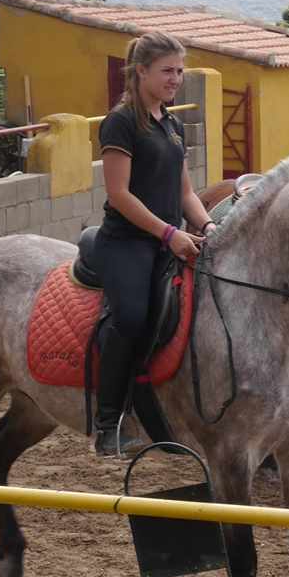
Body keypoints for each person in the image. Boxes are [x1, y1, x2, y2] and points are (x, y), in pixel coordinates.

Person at [92, 31, 217, 456]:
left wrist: (208, 225)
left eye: (180, 71)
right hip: (128, 242)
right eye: (167, 71)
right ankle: (108, 422)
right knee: (132, 316)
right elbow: (119, 195)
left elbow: (185, 193)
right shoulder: (122, 122)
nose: (175, 79)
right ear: (141, 71)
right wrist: (168, 233)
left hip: (172, 240)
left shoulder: (172, 123)